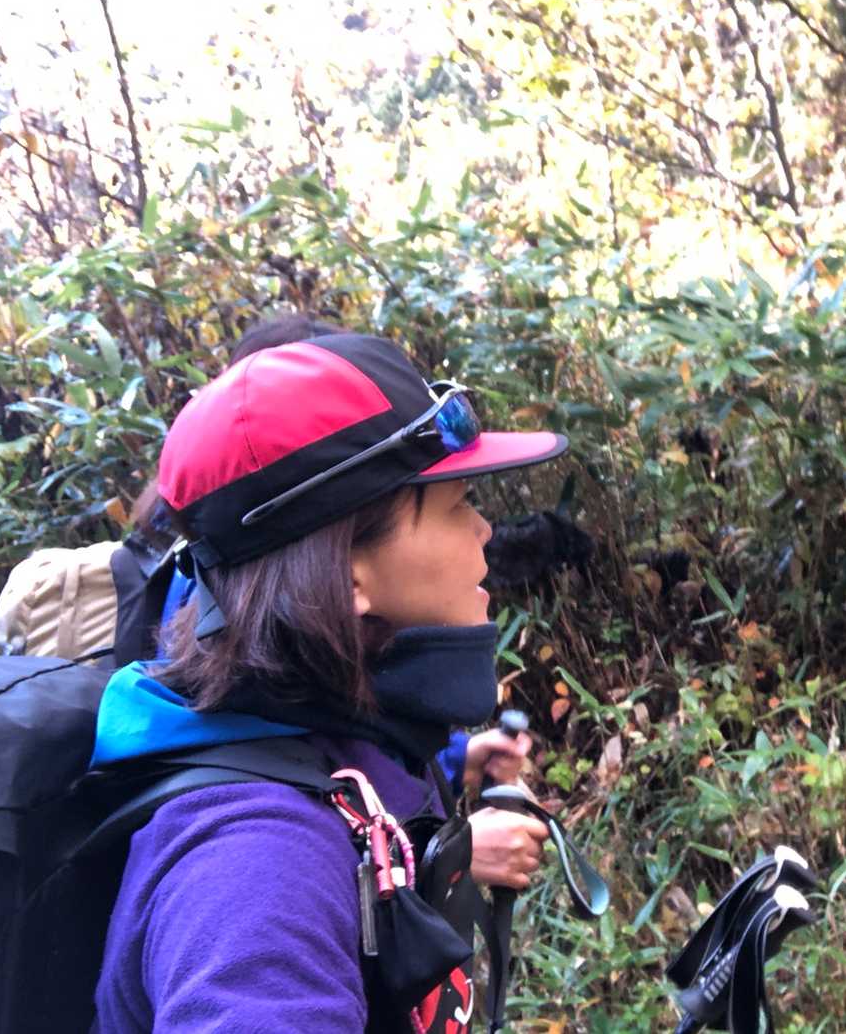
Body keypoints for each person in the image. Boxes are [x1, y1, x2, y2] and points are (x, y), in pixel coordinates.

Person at [91, 332, 565, 1033]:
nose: (486, 530)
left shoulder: (338, 727)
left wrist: (453, 774)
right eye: (457, 504)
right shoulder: (257, 868)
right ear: (347, 577)